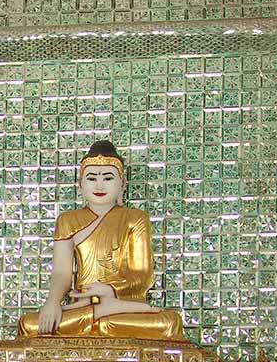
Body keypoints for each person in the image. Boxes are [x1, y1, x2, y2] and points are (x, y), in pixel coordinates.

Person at [17, 140, 185, 340]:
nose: (99, 185)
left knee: (169, 323)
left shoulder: (136, 218)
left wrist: (110, 290)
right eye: (91, 178)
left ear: (122, 183)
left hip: (124, 309)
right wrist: (53, 303)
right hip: (81, 305)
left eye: (107, 178)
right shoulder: (67, 220)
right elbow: (62, 272)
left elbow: (142, 275)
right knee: (28, 325)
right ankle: (99, 313)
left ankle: (104, 311)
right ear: (80, 184)